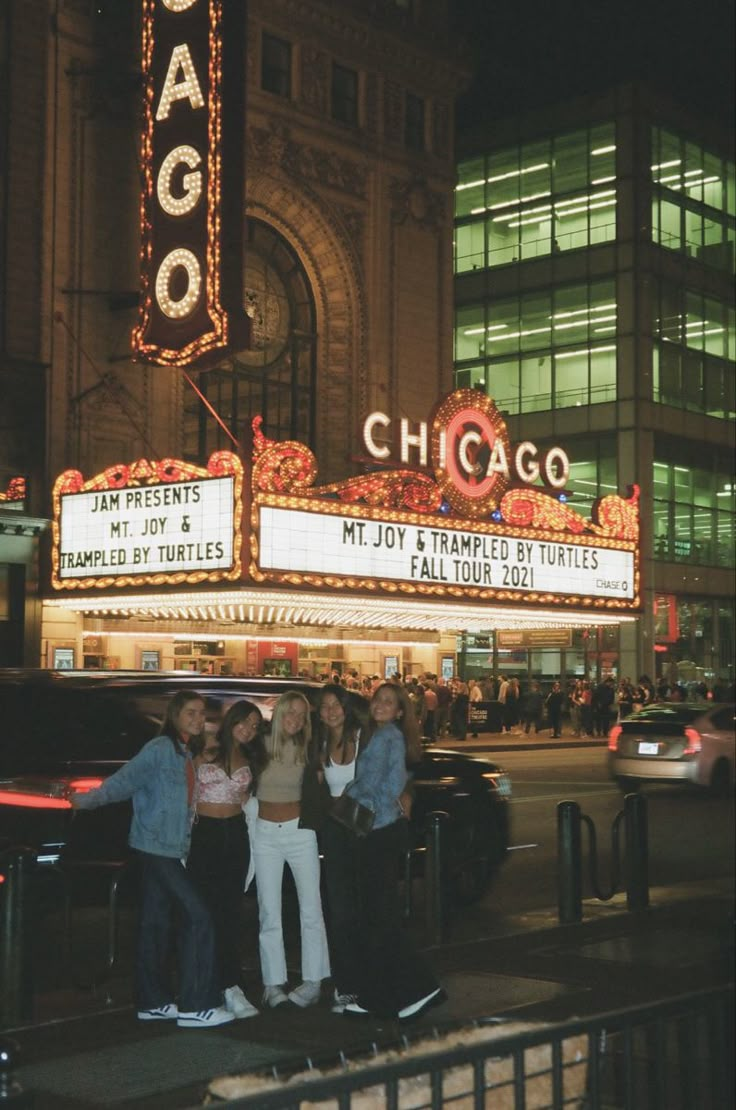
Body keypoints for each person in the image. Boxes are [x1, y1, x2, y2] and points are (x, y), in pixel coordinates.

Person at [70, 690, 234, 1028]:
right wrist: (86, 801)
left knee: (154, 925)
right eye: (190, 712)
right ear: (174, 715)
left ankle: (152, 1000)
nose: (198, 719)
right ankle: (196, 1003)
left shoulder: (186, 753)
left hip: (170, 847)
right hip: (157, 847)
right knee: (199, 916)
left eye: (201, 713)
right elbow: (125, 781)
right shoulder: (160, 749)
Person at [341, 683, 445, 1022]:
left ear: (401, 711)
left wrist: (349, 793)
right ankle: (382, 994)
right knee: (375, 916)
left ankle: (418, 987)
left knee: (379, 917)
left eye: (390, 702)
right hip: (380, 830)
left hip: (378, 832)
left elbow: (382, 786)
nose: (381, 705)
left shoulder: (388, 738)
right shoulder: (381, 735)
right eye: (378, 700)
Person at [187, 700, 267, 1020]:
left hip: (235, 833)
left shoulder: (252, 758)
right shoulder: (206, 749)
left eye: (255, 726)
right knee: (202, 912)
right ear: (230, 720)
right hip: (204, 834)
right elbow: (186, 792)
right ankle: (204, 985)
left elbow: (250, 802)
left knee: (230, 912)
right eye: (243, 722)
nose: (248, 729)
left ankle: (231, 985)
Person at [251, 690, 330, 1009]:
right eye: (290, 712)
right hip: (264, 833)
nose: (296, 719)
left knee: (310, 908)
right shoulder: (259, 746)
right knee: (269, 911)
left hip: (300, 832)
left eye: (302, 714)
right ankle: (272, 984)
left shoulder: (310, 750)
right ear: (279, 712)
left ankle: (313, 981)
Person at [310, 683, 365, 1013]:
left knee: (365, 908)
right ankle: (346, 986)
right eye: (324, 706)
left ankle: (370, 979)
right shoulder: (318, 743)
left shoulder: (363, 737)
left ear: (346, 706)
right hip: (335, 831)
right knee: (341, 911)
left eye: (335, 705)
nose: (330, 711)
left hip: (364, 829)